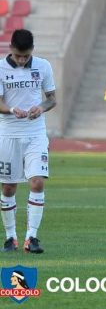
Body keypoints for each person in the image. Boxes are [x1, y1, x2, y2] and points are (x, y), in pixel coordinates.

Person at [0, 29, 56, 254]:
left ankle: (31, 237)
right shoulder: (0, 68)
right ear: (11, 48)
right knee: (9, 187)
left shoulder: (43, 66)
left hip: (35, 133)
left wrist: (40, 108)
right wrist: (12, 109)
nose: (22, 60)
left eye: (26, 56)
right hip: (8, 134)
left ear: (32, 50)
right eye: (18, 56)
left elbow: (51, 99)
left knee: (37, 182)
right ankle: (10, 237)